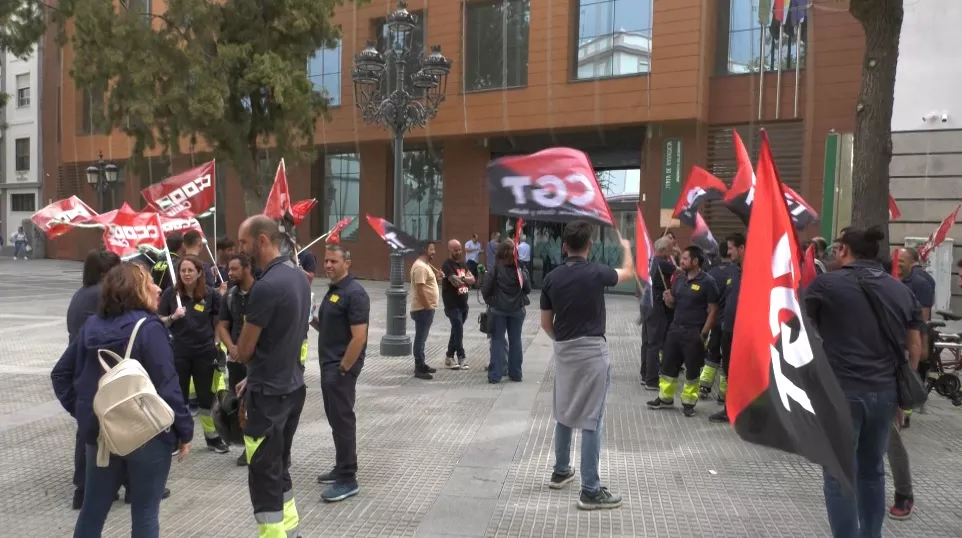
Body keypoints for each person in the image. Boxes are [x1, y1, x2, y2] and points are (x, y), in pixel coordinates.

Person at [51, 263, 192, 538]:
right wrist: (184, 432)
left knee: (92, 511)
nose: (158, 287)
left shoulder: (91, 325)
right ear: (135, 290)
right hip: (148, 436)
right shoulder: (149, 329)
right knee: (145, 514)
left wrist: (87, 413)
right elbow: (168, 385)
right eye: (150, 282)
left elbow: (60, 374)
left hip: (102, 435)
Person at [804, 226, 923, 538]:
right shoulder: (902, 290)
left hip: (842, 393)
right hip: (884, 395)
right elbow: (915, 348)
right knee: (872, 472)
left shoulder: (826, 285)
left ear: (844, 250)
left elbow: (797, 329)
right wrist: (900, 395)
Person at [541, 220, 633, 510]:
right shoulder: (597, 272)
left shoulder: (551, 278)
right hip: (593, 352)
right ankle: (590, 490)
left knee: (565, 411)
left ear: (564, 246)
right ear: (590, 246)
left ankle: (561, 470)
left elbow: (546, 323)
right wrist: (627, 249)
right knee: (592, 418)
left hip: (565, 351)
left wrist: (565, 343)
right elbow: (629, 273)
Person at [234, 215, 310, 538]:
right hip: (293, 388)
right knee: (280, 467)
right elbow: (289, 337)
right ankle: (291, 532)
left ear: (262, 241)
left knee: (264, 475)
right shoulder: (299, 277)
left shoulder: (264, 287)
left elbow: (245, 350)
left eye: (243, 243)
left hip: (268, 399)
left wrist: (240, 354)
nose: (240, 250)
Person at [65, 249, 122, 509]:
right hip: (100, 370)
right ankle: (103, 486)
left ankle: (84, 487)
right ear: (103, 274)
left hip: (83, 371)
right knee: (113, 428)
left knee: (88, 430)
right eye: (115, 273)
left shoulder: (80, 295)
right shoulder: (100, 296)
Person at [312, 245, 369, 502]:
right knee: (336, 419)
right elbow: (327, 327)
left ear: (348, 262)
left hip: (340, 368)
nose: (328, 265)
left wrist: (344, 368)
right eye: (326, 261)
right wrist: (311, 318)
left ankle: (348, 477)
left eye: (334, 261)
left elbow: (359, 338)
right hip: (329, 365)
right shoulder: (333, 291)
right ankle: (340, 466)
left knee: (343, 421)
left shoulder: (354, 293)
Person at [158, 255, 230, 454]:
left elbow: (218, 321)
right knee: (177, 397)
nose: (186, 274)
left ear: (199, 273)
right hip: (178, 352)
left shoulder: (210, 294)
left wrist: (216, 342)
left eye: (190, 270)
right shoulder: (170, 295)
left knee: (207, 397)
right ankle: (177, 438)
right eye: (183, 271)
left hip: (204, 353)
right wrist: (173, 317)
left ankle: (213, 438)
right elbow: (159, 320)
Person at [648, 245, 719, 417]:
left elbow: (713, 311)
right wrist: (668, 299)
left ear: (695, 262)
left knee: (692, 370)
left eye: (686, 259)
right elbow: (673, 303)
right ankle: (665, 398)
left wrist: (703, 334)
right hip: (675, 330)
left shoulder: (708, 282)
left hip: (693, 333)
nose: (682, 261)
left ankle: (688, 403)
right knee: (667, 366)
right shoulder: (679, 279)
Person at [216, 252, 256, 466]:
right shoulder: (229, 296)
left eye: (234, 269)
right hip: (236, 361)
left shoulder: (261, 293)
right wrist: (231, 347)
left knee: (256, 405)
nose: (229, 273)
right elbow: (222, 325)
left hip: (257, 362)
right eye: (228, 269)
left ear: (247, 268)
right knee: (240, 405)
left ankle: (260, 448)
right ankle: (246, 448)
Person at [483, 239, 531, 383]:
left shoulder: (495, 268)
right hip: (517, 309)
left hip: (498, 309)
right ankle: (515, 374)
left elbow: (486, 289)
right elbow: (527, 289)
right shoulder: (519, 268)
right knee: (515, 340)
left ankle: (495, 375)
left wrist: (492, 302)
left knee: (497, 341)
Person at [709, 232, 745, 423]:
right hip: (728, 329)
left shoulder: (752, 270)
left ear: (742, 248)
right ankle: (729, 408)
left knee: (742, 372)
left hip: (743, 332)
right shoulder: (732, 270)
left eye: (731, 248)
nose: (729, 252)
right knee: (728, 370)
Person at [698, 241, 734, 401]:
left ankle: (704, 385)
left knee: (712, 353)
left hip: (714, 320)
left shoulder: (711, 273)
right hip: (730, 322)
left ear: (719, 253)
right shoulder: (736, 273)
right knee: (727, 357)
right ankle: (723, 393)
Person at [640, 237, 677, 390]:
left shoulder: (648, 261)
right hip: (656, 305)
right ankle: (652, 379)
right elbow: (679, 271)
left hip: (646, 303)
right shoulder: (662, 263)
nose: (671, 252)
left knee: (647, 341)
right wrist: (676, 256)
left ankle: (645, 374)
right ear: (662, 250)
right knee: (655, 342)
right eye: (670, 249)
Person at [440, 239, 475, 369]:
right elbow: (455, 282)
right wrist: (465, 279)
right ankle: (461, 357)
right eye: (455, 250)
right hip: (451, 304)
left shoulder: (463, 263)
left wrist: (464, 279)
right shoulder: (447, 264)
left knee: (456, 331)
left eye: (459, 249)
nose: (458, 252)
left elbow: (472, 280)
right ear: (450, 250)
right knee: (458, 330)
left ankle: (449, 356)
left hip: (463, 304)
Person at [410, 241, 441, 380]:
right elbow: (421, 289)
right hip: (423, 309)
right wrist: (428, 306)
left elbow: (427, 284)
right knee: (420, 339)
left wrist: (437, 278)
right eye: (432, 249)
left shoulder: (425, 266)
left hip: (425, 308)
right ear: (424, 250)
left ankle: (422, 363)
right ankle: (419, 367)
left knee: (422, 338)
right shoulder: (420, 267)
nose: (434, 252)